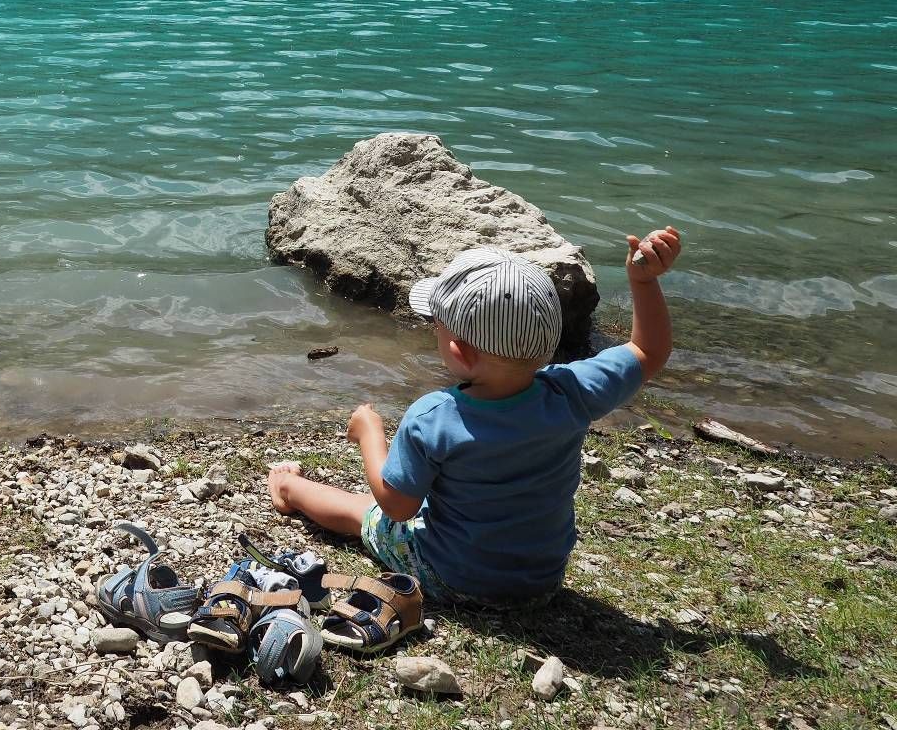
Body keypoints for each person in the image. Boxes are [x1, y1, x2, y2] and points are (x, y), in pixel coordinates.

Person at [266, 229, 682, 604]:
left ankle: (288, 488)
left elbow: (395, 507)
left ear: (459, 350)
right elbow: (649, 352)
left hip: (453, 576)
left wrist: (370, 435)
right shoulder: (572, 390)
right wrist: (643, 282)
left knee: (367, 514)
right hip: (540, 581)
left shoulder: (433, 417)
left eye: (437, 324)